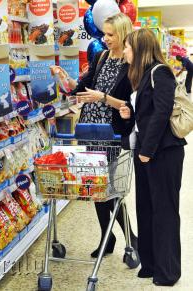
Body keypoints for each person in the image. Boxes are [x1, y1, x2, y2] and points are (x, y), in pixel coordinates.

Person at [52, 12, 137, 259]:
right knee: (96, 187)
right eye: (104, 34)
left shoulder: (131, 63)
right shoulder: (101, 57)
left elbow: (130, 105)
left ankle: (129, 237)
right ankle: (106, 236)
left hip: (110, 133)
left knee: (109, 188)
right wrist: (63, 77)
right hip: (89, 128)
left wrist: (103, 98)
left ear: (123, 34)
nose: (106, 38)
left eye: (111, 35)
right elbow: (80, 89)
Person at [119, 28, 187, 286]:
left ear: (139, 49)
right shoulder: (141, 76)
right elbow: (146, 116)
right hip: (145, 152)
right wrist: (129, 115)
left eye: (127, 46)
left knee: (165, 211)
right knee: (145, 207)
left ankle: (168, 271)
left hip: (164, 152)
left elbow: (162, 113)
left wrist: (147, 151)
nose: (124, 51)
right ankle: (149, 264)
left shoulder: (162, 72)